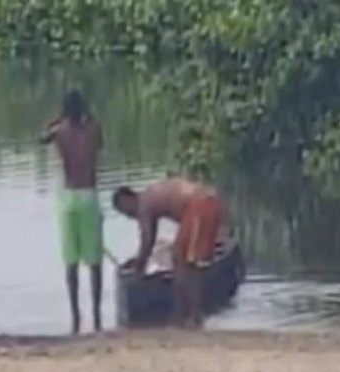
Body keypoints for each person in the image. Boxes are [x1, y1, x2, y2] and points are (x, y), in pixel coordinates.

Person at [112, 178, 229, 328]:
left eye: (124, 210)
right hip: (210, 202)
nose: (128, 216)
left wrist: (138, 268)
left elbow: (147, 241)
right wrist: (141, 261)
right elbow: (150, 240)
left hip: (199, 206)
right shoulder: (151, 197)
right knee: (190, 264)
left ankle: (185, 316)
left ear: (128, 200)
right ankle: (190, 315)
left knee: (183, 262)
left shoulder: (144, 204)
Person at [39, 90, 104, 334]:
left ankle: (75, 314)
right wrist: (89, 116)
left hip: (68, 199)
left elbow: (41, 138)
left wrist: (56, 120)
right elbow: (101, 143)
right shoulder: (93, 129)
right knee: (95, 261)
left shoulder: (59, 132)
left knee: (71, 261)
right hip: (88, 195)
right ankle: (97, 313)